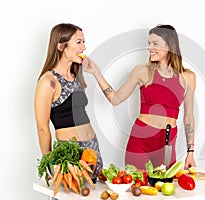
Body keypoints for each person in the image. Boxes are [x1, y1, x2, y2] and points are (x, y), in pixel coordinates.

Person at [83, 24, 196, 170]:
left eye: (155, 43)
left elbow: (188, 117)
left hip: (167, 143)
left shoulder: (188, 77)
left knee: (165, 189)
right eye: (149, 43)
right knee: (135, 188)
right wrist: (96, 73)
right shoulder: (142, 71)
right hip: (140, 140)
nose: (150, 48)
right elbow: (115, 99)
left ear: (169, 45)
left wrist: (190, 152)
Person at [34, 23, 103, 181]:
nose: (84, 47)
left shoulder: (75, 76)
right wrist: (49, 163)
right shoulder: (48, 82)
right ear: (60, 46)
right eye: (79, 42)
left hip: (92, 149)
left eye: (84, 42)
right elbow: (42, 128)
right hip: (70, 156)